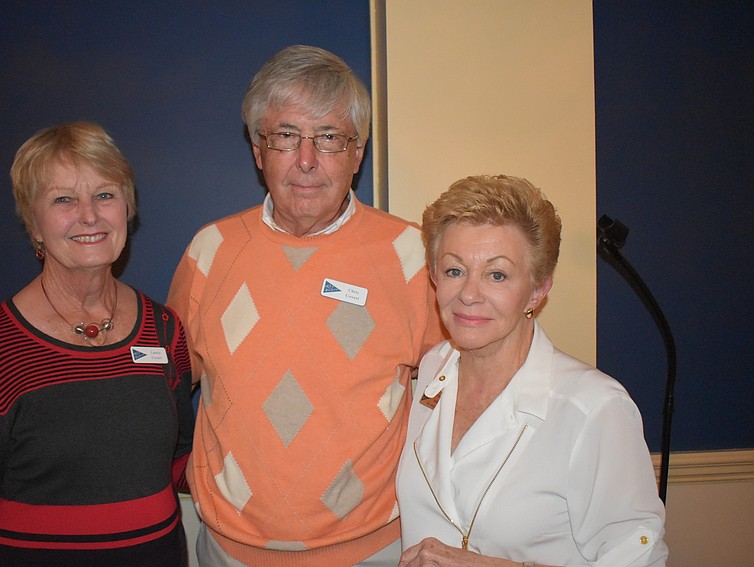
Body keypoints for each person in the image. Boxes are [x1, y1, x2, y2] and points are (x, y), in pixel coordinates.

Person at [166, 45, 444, 566]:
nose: (307, 160)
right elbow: (168, 388)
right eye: (287, 136)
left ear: (358, 153)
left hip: (372, 552)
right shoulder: (212, 251)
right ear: (258, 151)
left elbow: (458, 400)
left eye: (330, 138)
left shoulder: (413, 257)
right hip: (230, 552)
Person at [0, 122, 195, 566]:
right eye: (63, 199)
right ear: (33, 224)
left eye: (105, 194)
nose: (89, 215)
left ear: (127, 208)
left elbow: (183, 462)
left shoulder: (164, 330)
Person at [396, 175, 668, 567]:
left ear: (538, 290)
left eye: (497, 275)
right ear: (434, 278)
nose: (469, 294)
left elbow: (641, 560)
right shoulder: (435, 368)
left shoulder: (593, 409)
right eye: (454, 271)